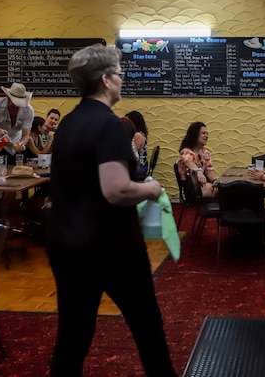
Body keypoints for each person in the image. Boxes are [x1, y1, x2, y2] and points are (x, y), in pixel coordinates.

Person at [46, 45, 176, 377]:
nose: (122, 79)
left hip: (67, 245)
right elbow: (116, 189)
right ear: (106, 80)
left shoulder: (68, 123)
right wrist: (151, 188)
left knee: (73, 336)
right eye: (119, 73)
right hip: (112, 249)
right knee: (148, 328)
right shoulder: (111, 126)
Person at [0, 82, 34, 168]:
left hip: (13, 146)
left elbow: (26, 135)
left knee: (13, 175)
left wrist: (21, 143)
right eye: (14, 104)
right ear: (8, 98)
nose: (17, 106)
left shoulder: (29, 110)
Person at [178, 121, 218, 197]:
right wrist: (198, 170)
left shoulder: (206, 153)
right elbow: (188, 161)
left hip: (203, 186)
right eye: (203, 133)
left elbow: (208, 172)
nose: (206, 136)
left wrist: (215, 181)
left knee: (223, 188)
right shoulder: (186, 152)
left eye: (207, 134)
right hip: (192, 189)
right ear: (195, 135)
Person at [126, 110, 150, 179]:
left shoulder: (137, 135)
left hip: (140, 167)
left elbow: (133, 153)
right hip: (140, 166)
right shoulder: (139, 133)